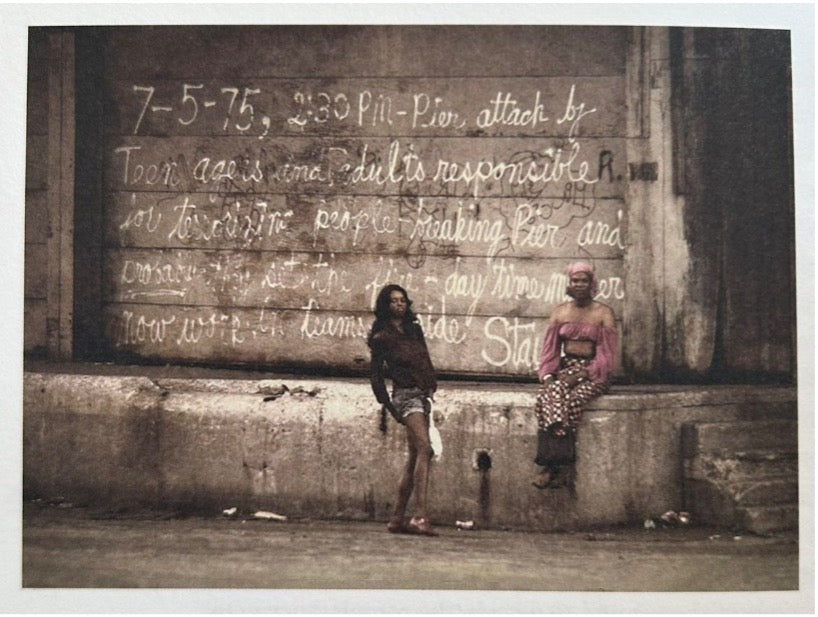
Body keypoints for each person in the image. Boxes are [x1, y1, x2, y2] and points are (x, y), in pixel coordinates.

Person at [532, 261, 618, 490]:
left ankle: (552, 467)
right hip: (565, 368)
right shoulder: (561, 312)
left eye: (584, 281)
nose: (579, 285)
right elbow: (549, 351)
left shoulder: (603, 313)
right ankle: (560, 467)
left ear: (592, 284)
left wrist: (582, 375)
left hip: (594, 372)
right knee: (545, 397)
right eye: (575, 281)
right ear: (569, 284)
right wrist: (549, 375)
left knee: (572, 399)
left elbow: (607, 357)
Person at [367, 284, 439, 536]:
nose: (399, 305)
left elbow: (425, 359)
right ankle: (419, 516)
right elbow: (376, 376)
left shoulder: (413, 328)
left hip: (421, 395)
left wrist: (431, 388)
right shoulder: (381, 337)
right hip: (405, 397)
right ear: (385, 306)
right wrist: (388, 405)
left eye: (402, 300)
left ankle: (397, 517)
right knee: (425, 449)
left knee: (413, 458)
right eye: (394, 301)